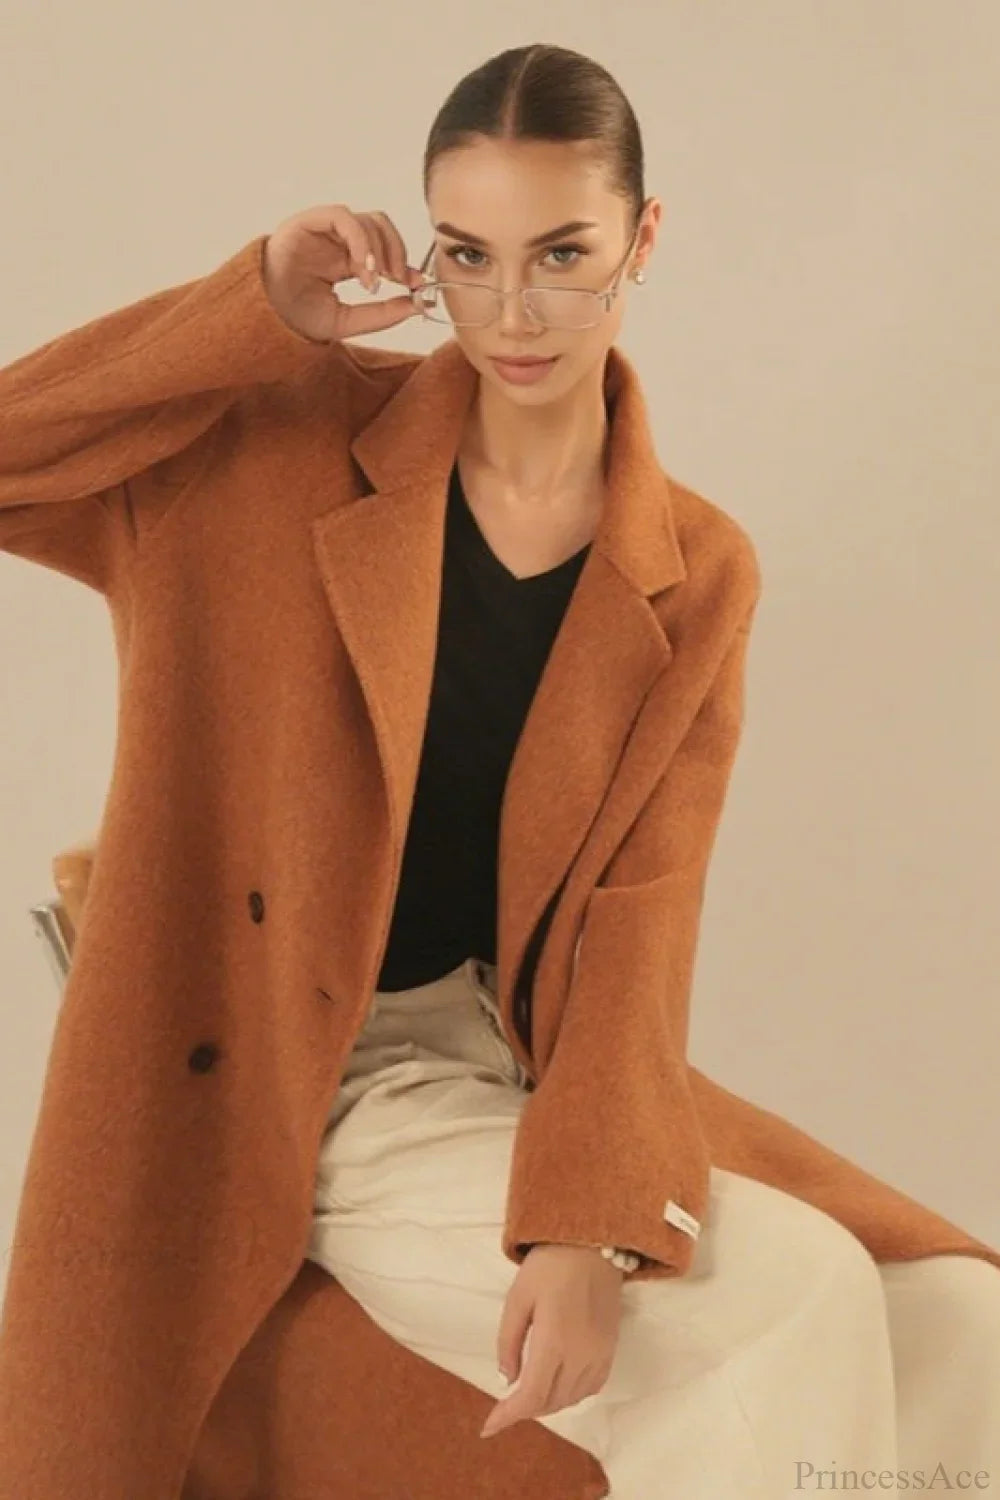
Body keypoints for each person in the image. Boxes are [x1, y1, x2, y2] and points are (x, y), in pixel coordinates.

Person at [1, 39, 998, 1500]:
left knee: (964, 1320)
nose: (514, 312)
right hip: (302, 1069)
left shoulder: (694, 566)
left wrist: (586, 1218)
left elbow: (639, 921)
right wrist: (255, 308)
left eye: (563, 254)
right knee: (791, 1297)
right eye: (468, 255)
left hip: (511, 1055)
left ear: (644, 241)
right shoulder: (265, 451)